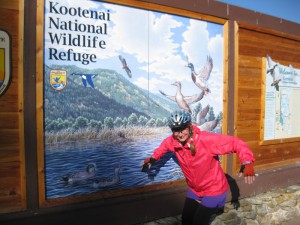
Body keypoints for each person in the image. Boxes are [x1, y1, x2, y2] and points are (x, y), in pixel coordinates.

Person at [142, 110, 255, 225]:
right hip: (196, 189)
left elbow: (236, 143)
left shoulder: (206, 140)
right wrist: (152, 159)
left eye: (183, 129)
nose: (180, 134)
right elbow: (162, 149)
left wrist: (247, 162)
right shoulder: (172, 141)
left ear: (190, 126)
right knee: (186, 220)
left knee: (198, 222)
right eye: (176, 130)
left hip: (214, 190)